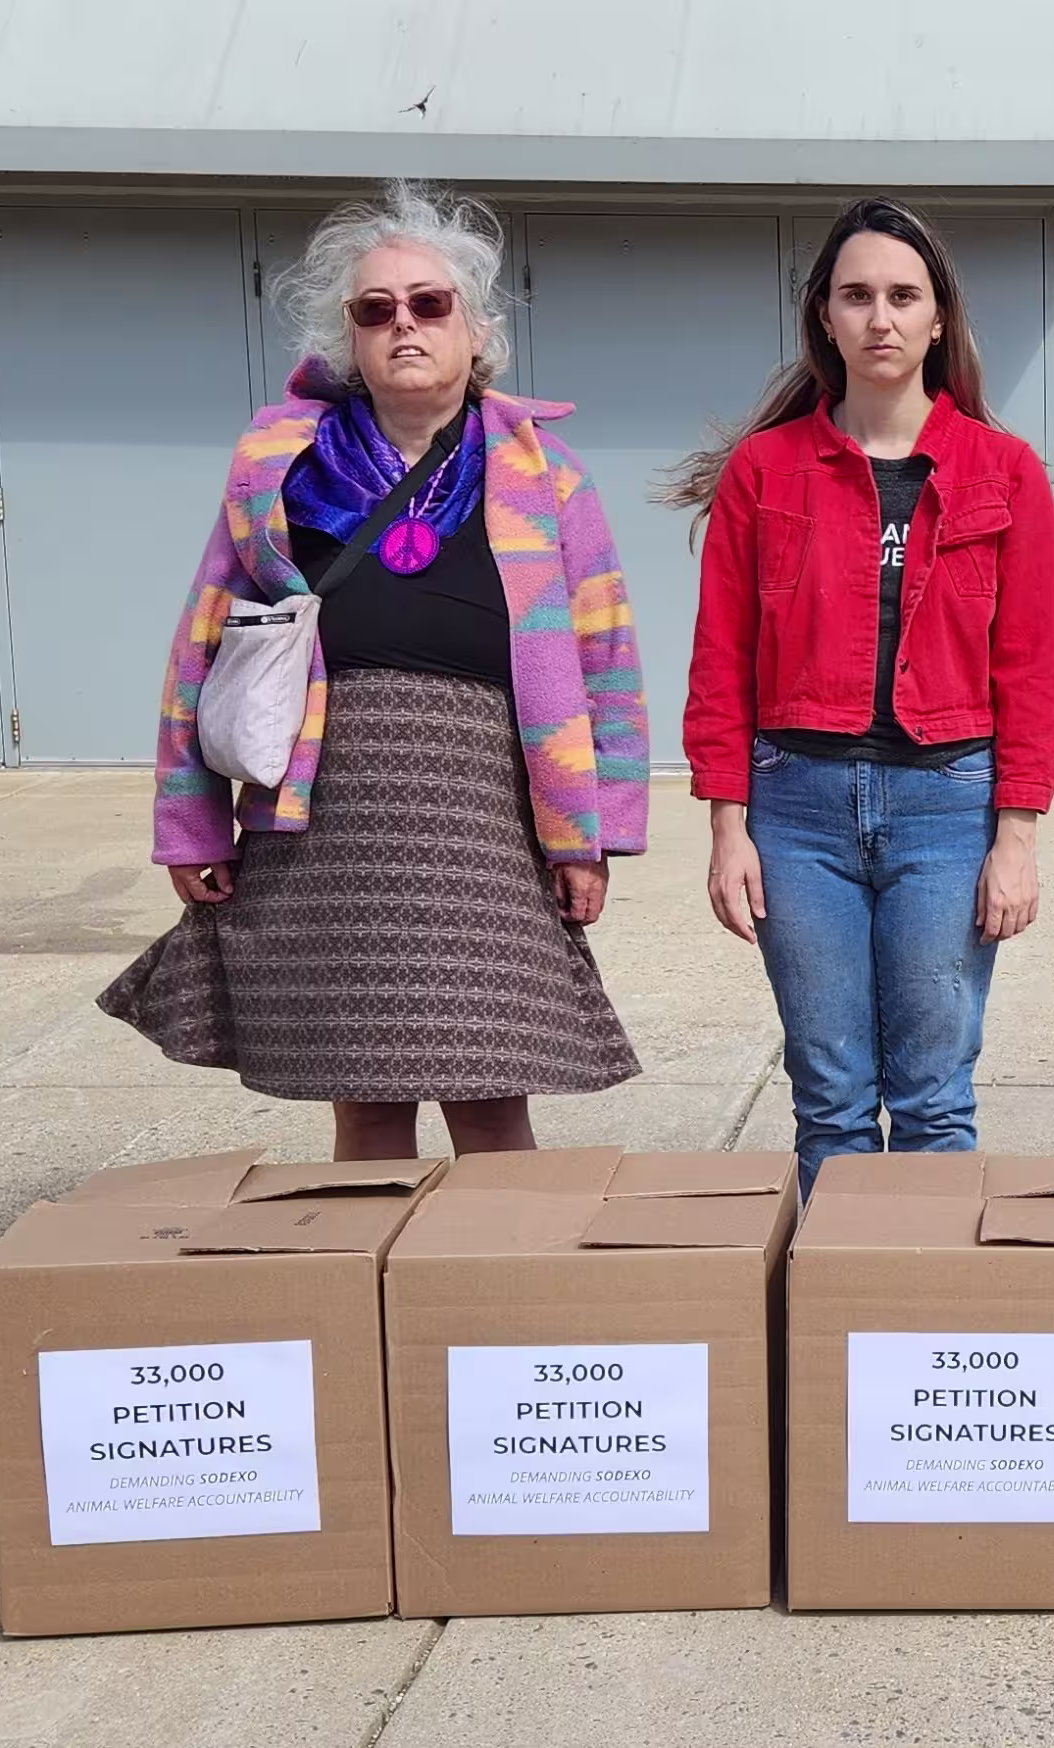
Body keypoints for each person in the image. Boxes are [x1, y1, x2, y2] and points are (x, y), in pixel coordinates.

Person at [100, 182, 648, 1161]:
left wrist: (592, 833)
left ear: (476, 329)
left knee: (490, 1089)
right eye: (376, 308)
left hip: (490, 819)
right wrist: (190, 820)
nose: (404, 323)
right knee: (364, 1095)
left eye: (429, 303)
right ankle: (377, 1294)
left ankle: (495, 1292)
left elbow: (607, 661)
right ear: (348, 335)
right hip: (326, 822)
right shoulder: (279, 465)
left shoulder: (547, 473)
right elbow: (201, 647)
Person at [672, 196, 1054, 1193]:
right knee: (833, 1097)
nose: (879, 317)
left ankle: (929, 1330)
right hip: (797, 811)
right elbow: (722, 655)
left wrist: (1014, 841)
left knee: (933, 1097)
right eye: (857, 295)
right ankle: (837, 1337)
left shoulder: (1006, 472)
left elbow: (1030, 670)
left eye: (903, 295)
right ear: (824, 316)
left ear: (940, 319)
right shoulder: (765, 473)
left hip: (948, 809)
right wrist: (729, 827)